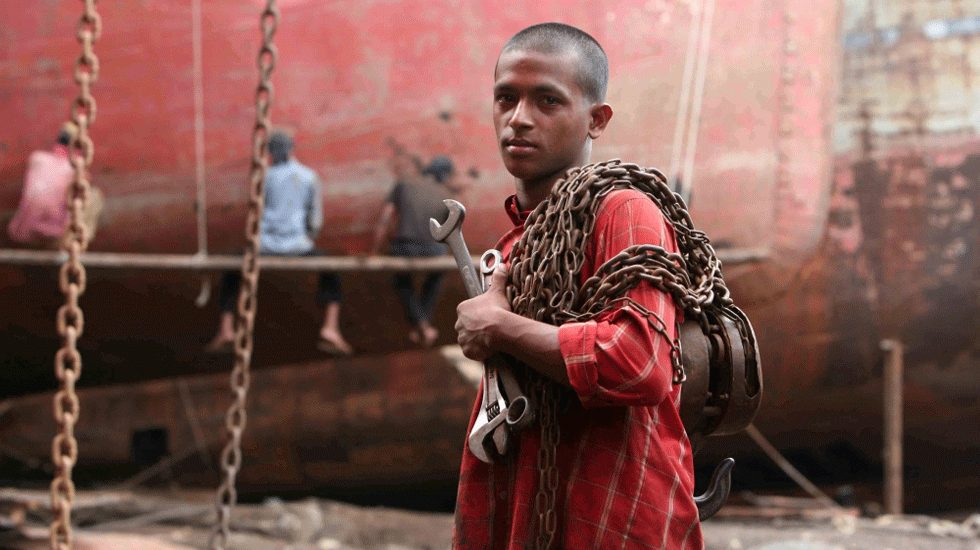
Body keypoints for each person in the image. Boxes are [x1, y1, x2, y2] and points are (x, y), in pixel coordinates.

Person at [451, 23, 702, 549]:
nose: (519, 120)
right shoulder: (517, 241)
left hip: (611, 519)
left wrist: (501, 327)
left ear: (596, 119)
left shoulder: (626, 213)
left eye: (547, 101)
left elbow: (641, 364)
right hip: (526, 516)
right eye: (506, 98)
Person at [206, 131, 352, 355]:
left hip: (264, 247)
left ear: (269, 153)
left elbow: (254, 215)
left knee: (231, 269)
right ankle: (330, 327)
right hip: (299, 247)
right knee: (332, 269)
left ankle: (226, 328)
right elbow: (315, 220)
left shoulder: (262, 176)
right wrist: (306, 238)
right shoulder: (309, 176)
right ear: (293, 149)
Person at [371, 149, 458, 348]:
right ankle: (423, 324)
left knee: (402, 281)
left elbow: (385, 219)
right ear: (445, 175)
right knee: (436, 276)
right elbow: (448, 234)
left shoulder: (404, 183)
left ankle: (421, 325)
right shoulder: (446, 195)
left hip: (405, 248)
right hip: (434, 252)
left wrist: (375, 250)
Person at [7, 122, 104, 248]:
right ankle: (73, 246)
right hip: (55, 233)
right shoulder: (77, 171)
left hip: (21, 230)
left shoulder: (37, 158)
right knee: (94, 196)